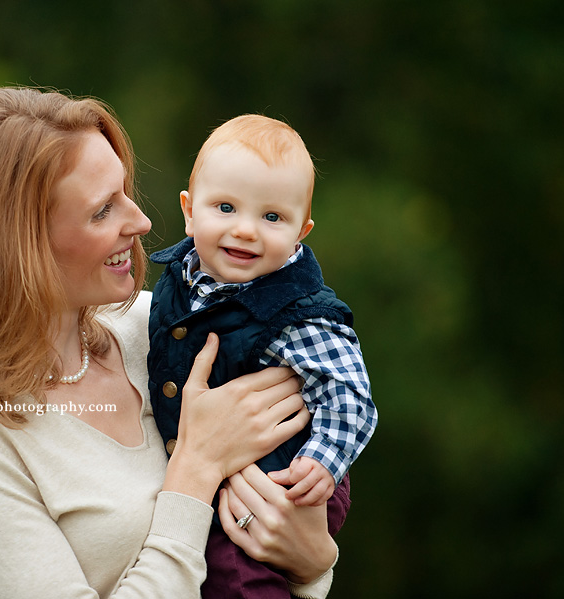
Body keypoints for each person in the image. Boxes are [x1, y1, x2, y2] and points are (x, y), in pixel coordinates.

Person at [0, 88, 339, 599]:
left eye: (125, 193)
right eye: (102, 210)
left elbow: (294, 503)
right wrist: (196, 468)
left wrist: (314, 563)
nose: (141, 222)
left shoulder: (164, 327)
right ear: (16, 244)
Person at [147, 114, 377, 598]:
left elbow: (349, 392)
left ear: (301, 231)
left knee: (237, 574)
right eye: (226, 207)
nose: (246, 230)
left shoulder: (300, 315)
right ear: (190, 212)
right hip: (223, 475)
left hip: (289, 476)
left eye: (272, 217)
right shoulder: (180, 285)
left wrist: (321, 462)